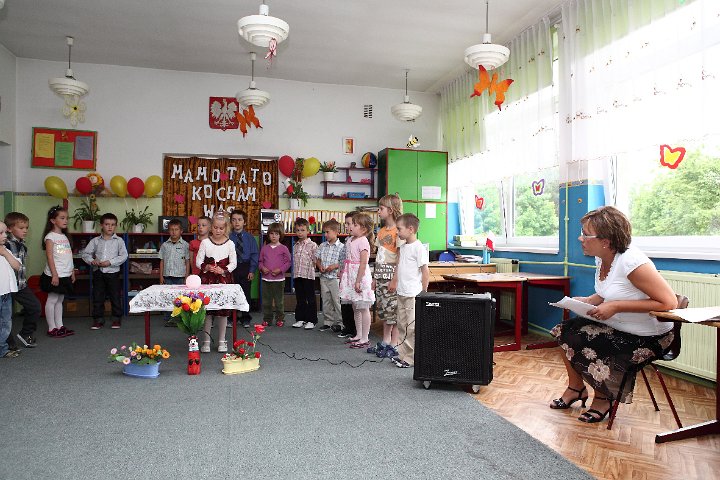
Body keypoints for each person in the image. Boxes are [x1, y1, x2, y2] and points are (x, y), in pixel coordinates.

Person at [549, 206, 678, 423]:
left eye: (586, 234)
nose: (581, 238)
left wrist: (616, 306)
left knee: (595, 343)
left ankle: (603, 398)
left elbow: (669, 302)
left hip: (650, 335)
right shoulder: (602, 257)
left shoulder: (632, 262)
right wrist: (588, 301)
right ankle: (576, 388)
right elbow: (608, 291)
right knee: (564, 331)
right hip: (620, 326)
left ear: (606, 241)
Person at [389, 213, 429, 368]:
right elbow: (399, 267)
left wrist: (423, 292)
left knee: (411, 327)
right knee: (402, 325)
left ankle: (411, 358)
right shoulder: (403, 247)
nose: (397, 232)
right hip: (402, 292)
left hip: (413, 294)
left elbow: (425, 271)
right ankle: (402, 354)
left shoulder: (419, 248)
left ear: (411, 229)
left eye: (399, 229)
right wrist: (395, 282)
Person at [196, 213, 237, 353]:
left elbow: (234, 263)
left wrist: (223, 270)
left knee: (222, 312)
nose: (218, 230)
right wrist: (206, 267)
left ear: (226, 228)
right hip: (207, 280)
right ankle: (206, 341)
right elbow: (198, 261)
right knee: (208, 311)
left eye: (221, 228)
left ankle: (221, 341)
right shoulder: (205, 242)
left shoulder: (230, 243)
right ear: (211, 227)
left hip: (223, 281)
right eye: (215, 227)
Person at [370, 194, 404, 358]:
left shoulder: (399, 231)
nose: (378, 211)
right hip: (381, 274)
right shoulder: (382, 231)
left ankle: (394, 343)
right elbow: (379, 256)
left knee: (393, 311)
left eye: (381, 208)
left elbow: (400, 258)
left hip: (392, 275)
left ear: (390, 210)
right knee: (383, 310)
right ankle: (385, 341)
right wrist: (375, 278)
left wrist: (395, 279)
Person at [82, 213, 128, 330]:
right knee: (98, 297)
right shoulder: (95, 241)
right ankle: (98, 320)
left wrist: (110, 262)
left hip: (113, 273)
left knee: (115, 296)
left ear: (116, 226)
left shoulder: (119, 241)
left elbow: (124, 256)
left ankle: (116, 319)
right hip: (99, 272)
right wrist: (92, 261)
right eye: (107, 224)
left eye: (113, 224)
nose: (110, 227)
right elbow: (85, 254)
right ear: (101, 225)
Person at [338, 212, 376, 348]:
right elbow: (347, 259)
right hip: (350, 275)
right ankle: (358, 334)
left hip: (360, 276)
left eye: (354, 225)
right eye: (351, 224)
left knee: (363, 307)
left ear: (364, 229)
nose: (350, 227)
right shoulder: (349, 240)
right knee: (355, 307)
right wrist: (344, 274)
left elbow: (363, 263)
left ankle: (365, 337)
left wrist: (358, 281)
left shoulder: (363, 241)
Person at [4, 212, 41, 349]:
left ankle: (26, 333)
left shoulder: (22, 245)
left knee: (35, 307)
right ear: (9, 229)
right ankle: (7, 342)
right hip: (7, 286)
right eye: (21, 228)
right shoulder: (5, 244)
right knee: (6, 315)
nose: (25, 230)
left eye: (26, 228)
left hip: (20, 285)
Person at [40, 206, 75, 338]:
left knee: (60, 300)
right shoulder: (50, 237)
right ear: (53, 220)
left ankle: (60, 326)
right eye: (62, 218)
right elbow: (49, 257)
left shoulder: (65, 236)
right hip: (54, 275)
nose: (66, 220)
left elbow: (68, 256)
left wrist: (72, 271)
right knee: (52, 299)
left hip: (65, 274)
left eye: (67, 218)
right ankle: (51, 328)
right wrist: (54, 274)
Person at [258, 222, 291, 327]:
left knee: (279, 301)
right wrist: (262, 268)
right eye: (271, 233)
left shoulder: (284, 248)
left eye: (276, 234)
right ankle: (267, 319)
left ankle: (280, 319)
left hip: (279, 280)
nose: (274, 236)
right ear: (268, 235)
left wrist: (280, 270)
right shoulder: (265, 248)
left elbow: (288, 262)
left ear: (280, 235)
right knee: (266, 301)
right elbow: (260, 262)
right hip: (266, 279)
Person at [230, 210, 259, 328]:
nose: (237, 222)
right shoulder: (228, 237)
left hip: (245, 267)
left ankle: (246, 317)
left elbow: (254, 254)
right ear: (231, 222)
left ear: (244, 222)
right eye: (234, 220)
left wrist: (252, 270)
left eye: (239, 220)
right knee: (231, 292)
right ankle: (232, 317)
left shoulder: (249, 238)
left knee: (245, 293)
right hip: (232, 267)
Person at [160, 218, 190, 327]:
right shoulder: (164, 245)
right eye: (171, 229)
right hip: (167, 276)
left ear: (181, 231)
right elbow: (162, 261)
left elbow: (187, 262)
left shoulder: (185, 245)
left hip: (180, 276)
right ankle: (169, 318)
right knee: (168, 297)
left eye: (176, 229)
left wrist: (187, 276)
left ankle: (179, 319)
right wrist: (161, 277)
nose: (174, 232)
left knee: (179, 298)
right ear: (168, 231)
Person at [315, 219, 344, 332]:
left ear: (336, 232)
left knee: (337, 301)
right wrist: (320, 266)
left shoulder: (342, 247)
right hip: (324, 278)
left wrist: (334, 266)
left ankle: (341, 323)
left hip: (335, 278)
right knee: (326, 300)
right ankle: (328, 321)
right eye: (324, 232)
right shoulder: (322, 246)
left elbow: (344, 262)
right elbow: (317, 259)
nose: (325, 235)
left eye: (327, 232)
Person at [291, 218, 319, 330]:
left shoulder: (313, 245)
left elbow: (316, 260)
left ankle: (312, 320)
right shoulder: (295, 245)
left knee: (310, 298)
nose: (300, 233)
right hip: (297, 275)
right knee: (300, 298)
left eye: (302, 230)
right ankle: (300, 319)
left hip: (308, 276)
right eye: (298, 230)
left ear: (308, 230)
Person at [0, 221, 22, 358]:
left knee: (6, 323)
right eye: (0, 233)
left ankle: (2, 348)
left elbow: (18, 266)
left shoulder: (6, 250)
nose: (5, 235)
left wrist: (5, 253)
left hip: (6, 294)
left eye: (5, 232)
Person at [336, 212, 357, 339]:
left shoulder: (360, 240)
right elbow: (342, 257)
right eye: (346, 224)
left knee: (354, 303)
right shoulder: (347, 240)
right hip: (345, 274)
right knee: (344, 301)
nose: (347, 226)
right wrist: (341, 270)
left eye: (349, 224)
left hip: (354, 275)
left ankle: (355, 329)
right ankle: (347, 326)